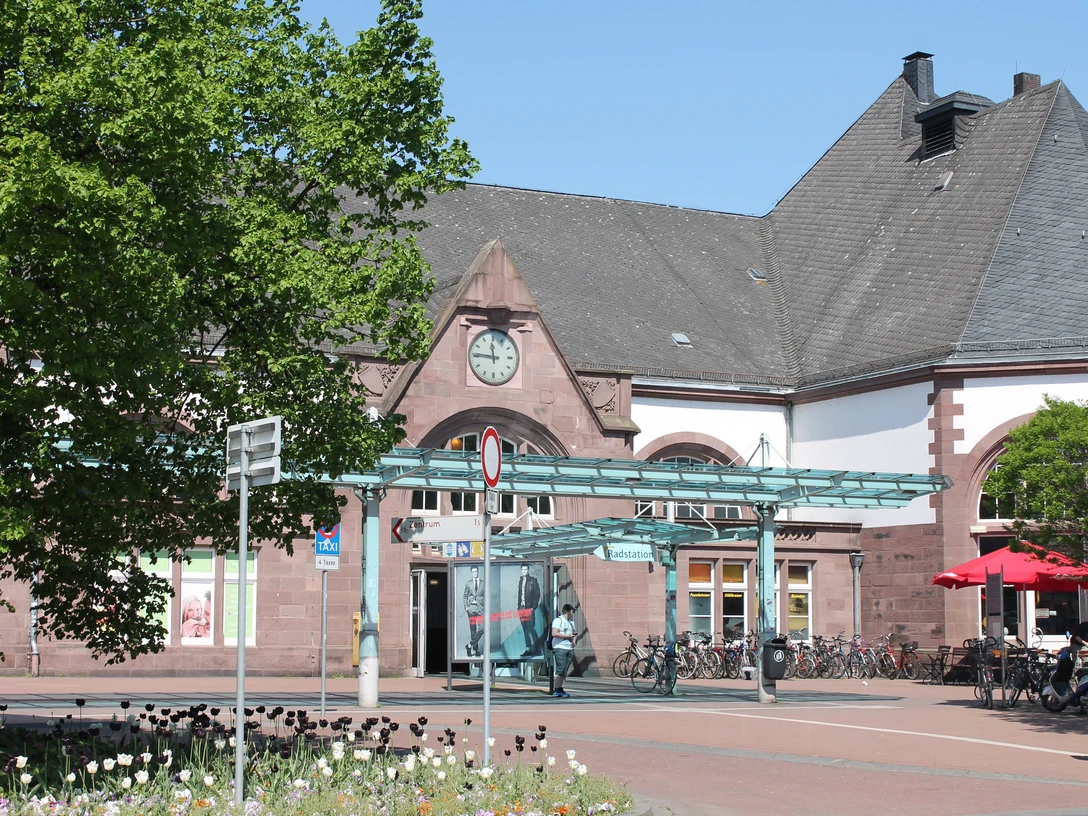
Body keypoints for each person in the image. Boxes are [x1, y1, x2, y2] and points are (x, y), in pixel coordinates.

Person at [550, 603, 577, 698]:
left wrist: (574, 641)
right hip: (560, 647)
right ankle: (557, 689)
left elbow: (574, 633)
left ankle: (561, 688)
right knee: (560, 669)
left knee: (565, 670)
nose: (573, 613)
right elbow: (554, 633)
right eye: (572, 611)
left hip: (569, 647)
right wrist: (567, 636)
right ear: (568, 611)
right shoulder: (558, 620)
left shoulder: (571, 621)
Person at [516, 564, 542, 656]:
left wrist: (533, 607)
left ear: (528, 570)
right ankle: (528, 649)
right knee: (525, 629)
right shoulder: (520, 581)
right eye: (522, 569)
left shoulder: (532, 580)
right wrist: (518, 606)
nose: (524, 571)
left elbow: (537, 594)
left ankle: (538, 649)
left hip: (529, 608)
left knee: (530, 628)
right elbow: (520, 595)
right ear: (521, 570)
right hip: (522, 608)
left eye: (526, 569)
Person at [463, 565, 484, 657]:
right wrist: (466, 607)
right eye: (473, 572)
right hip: (471, 608)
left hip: (480, 608)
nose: (475, 573)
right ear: (471, 572)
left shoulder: (483, 583)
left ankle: (469, 645)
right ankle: (476, 650)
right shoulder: (468, 583)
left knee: (482, 628)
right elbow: (465, 595)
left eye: (476, 571)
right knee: (473, 630)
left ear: (478, 572)